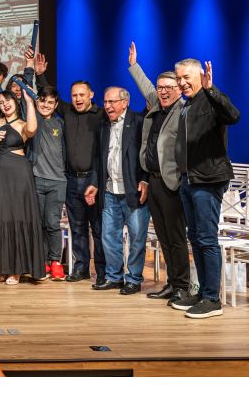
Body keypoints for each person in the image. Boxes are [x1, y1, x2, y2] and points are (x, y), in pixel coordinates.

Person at [171, 59, 240, 319]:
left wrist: (212, 90)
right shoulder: (186, 105)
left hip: (208, 180)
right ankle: (202, 292)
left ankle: (213, 299)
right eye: (179, 78)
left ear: (201, 75)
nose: (182, 83)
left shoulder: (210, 99)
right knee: (196, 238)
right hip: (189, 180)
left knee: (207, 238)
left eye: (186, 77)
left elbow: (233, 116)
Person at [35, 54, 106, 285]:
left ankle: (103, 271)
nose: (77, 99)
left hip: (94, 181)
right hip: (71, 181)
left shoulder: (101, 116)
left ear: (91, 95)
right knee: (77, 228)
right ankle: (81, 268)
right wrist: (39, 74)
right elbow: (48, 99)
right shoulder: (66, 112)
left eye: (81, 95)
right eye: (74, 95)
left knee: (97, 228)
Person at [128, 42, 189, 303]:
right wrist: (133, 65)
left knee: (175, 238)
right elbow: (145, 86)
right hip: (152, 182)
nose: (162, 92)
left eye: (168, 88)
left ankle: (182, 287)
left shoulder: (183, 110)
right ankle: (171, 284)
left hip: (171, 184)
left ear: (179, 90)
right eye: (160, 88)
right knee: (163, 237)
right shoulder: (157, 106)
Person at [91, 87, 149, 295]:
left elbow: (146, 156)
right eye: (105, 102)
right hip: (109, 190)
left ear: (125, 102)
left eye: (112, 102)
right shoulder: (103, 125)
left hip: (132, 191)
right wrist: (95, 184)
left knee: (136, 238)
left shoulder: (139, 122)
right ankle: (114, 276)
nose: (107, 106)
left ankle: (133, 279)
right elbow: (99, 158)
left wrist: (145, 180)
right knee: (109, 236)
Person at [0, 90, 44, 285]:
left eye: (7, 100)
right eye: (0, 102)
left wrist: (30, 103)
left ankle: (16, 270)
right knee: (0, 217)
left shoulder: (22, 124)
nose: (4, 104)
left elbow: (33, 130)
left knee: (17, 216)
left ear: (15, 102)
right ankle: (1, 267)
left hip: (19, 174)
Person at [28, 84, 68, 281]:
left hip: (58, 181)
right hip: (36, 179)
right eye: (42, 101)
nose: (45, 105)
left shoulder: (61, 124)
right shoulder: (32, 119)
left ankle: (55, 262)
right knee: (40, 223)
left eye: (50, 102)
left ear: (56, 104)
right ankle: (42, 261)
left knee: (52, 222)